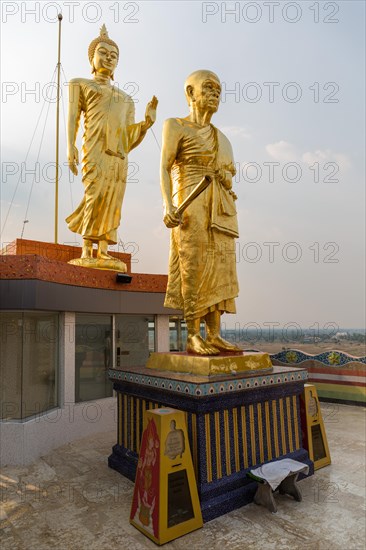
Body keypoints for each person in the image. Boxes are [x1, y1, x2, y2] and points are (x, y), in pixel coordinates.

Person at [160, 70, 241, 355]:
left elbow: (230, 178)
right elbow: (165, 166)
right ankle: (193, 333)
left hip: (219, 206)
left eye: (219, 89)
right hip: (190, 201)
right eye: (208, 87)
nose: (215, 92)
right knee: (192, 264)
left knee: (220, 267)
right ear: (190, 93)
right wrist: (168, 204)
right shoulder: (176, 126)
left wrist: (226, 177)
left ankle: (215, 334)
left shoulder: (223, 139)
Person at [66, 25, 158, 270]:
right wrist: (70, 146)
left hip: (118, 156)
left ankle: (104, 250)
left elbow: (128, 137)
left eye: (113, 55)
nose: (108, 58)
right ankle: (87, 249)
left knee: (113, 200)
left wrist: (146, 124)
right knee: (94, 195)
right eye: (103, 53)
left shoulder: (126, 99)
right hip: (94, 148)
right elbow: (73, 118)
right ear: (92, 58)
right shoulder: (80, 84)